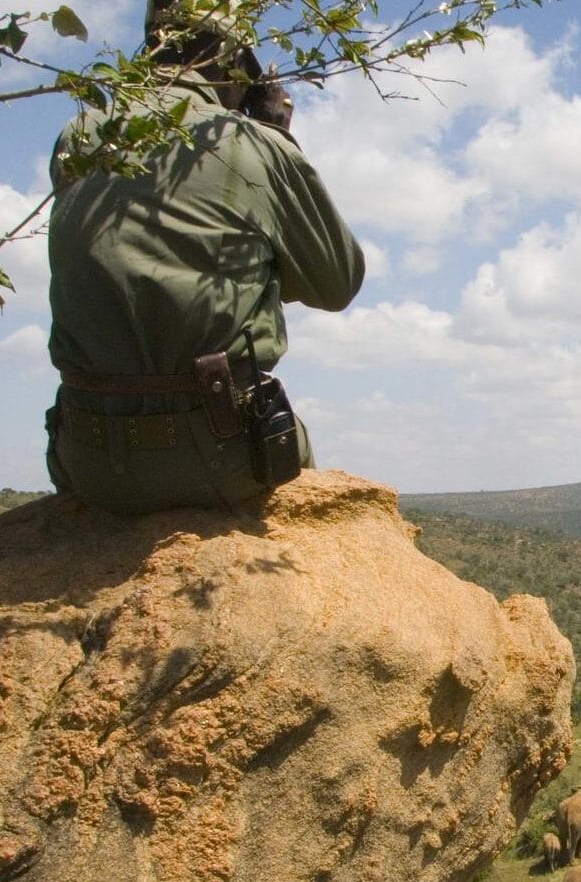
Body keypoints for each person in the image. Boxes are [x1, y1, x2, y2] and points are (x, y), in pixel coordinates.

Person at [43, 0, 364, 514]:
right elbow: (336, 283)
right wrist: (278, 137)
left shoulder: (78, 134)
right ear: (232, 60)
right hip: (218, 456)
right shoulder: (255, 145)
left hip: (86, 459)